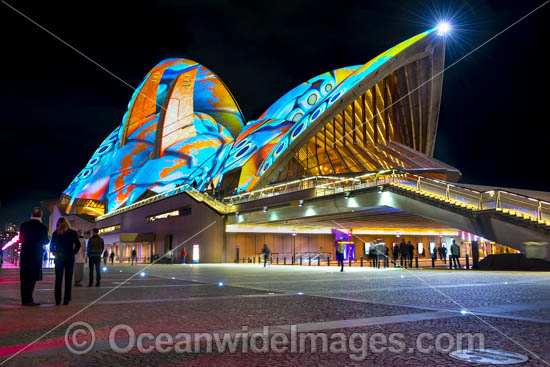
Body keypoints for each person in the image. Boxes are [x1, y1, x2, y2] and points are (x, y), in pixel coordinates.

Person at [19, 208, 49, 306]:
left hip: (25, 254)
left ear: (31, 214)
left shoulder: (24, 225)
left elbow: (20, 239)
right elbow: (45, 241)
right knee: (32, 277)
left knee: (24, 277)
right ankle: (29, 299)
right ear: (41, 215)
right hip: (36, 255)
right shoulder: (43, 227)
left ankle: (24, 299)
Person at [50, 218, 80, 305]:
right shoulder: (72, 233)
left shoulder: (56, 233)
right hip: (69, 258)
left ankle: (57, 300)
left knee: (58, 279)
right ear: (67, 223)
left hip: (59, 258)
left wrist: (55, 253)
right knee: (68, 279)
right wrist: (73, 252)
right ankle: (66, 299)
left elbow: (52, 246)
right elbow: (78, 244)